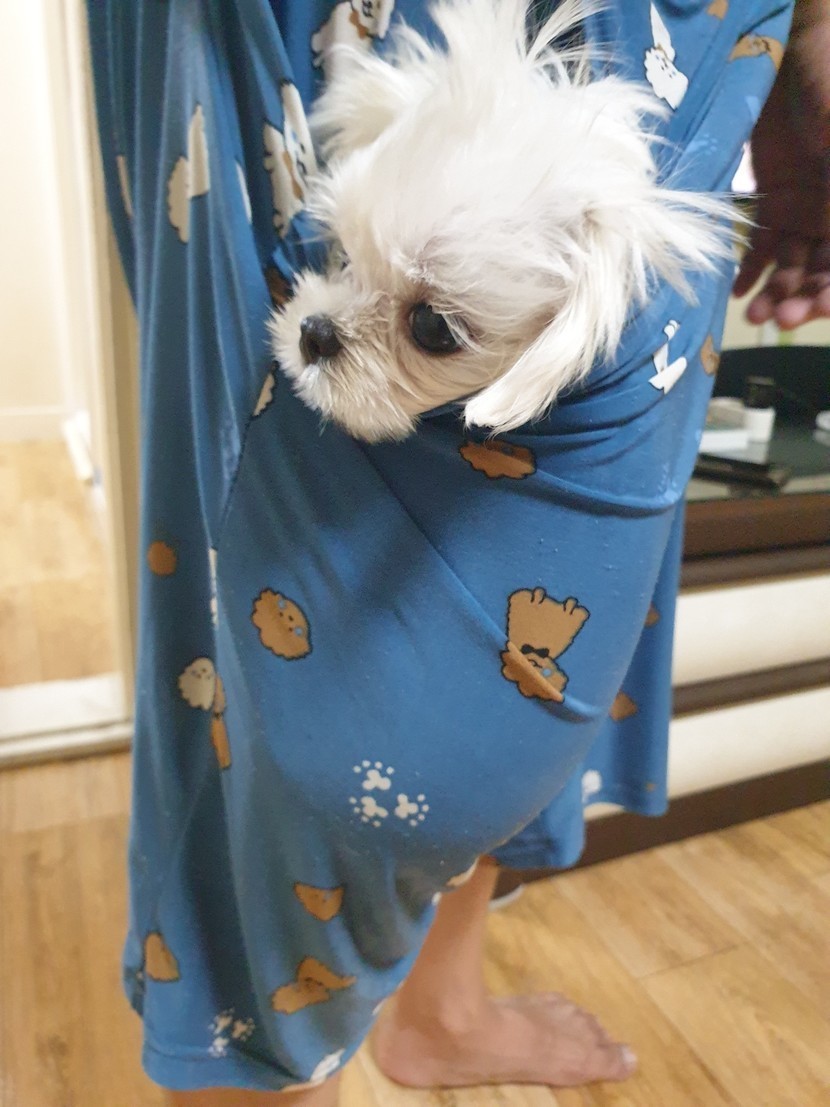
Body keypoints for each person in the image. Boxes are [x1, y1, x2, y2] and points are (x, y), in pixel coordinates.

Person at [85, 1, 829, 1104]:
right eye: (340, 253)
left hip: (695, 37)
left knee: (550, 622)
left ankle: (442, 1008)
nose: (327, 315)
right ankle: (269, 1048)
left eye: (430, 326)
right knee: (288, 747)